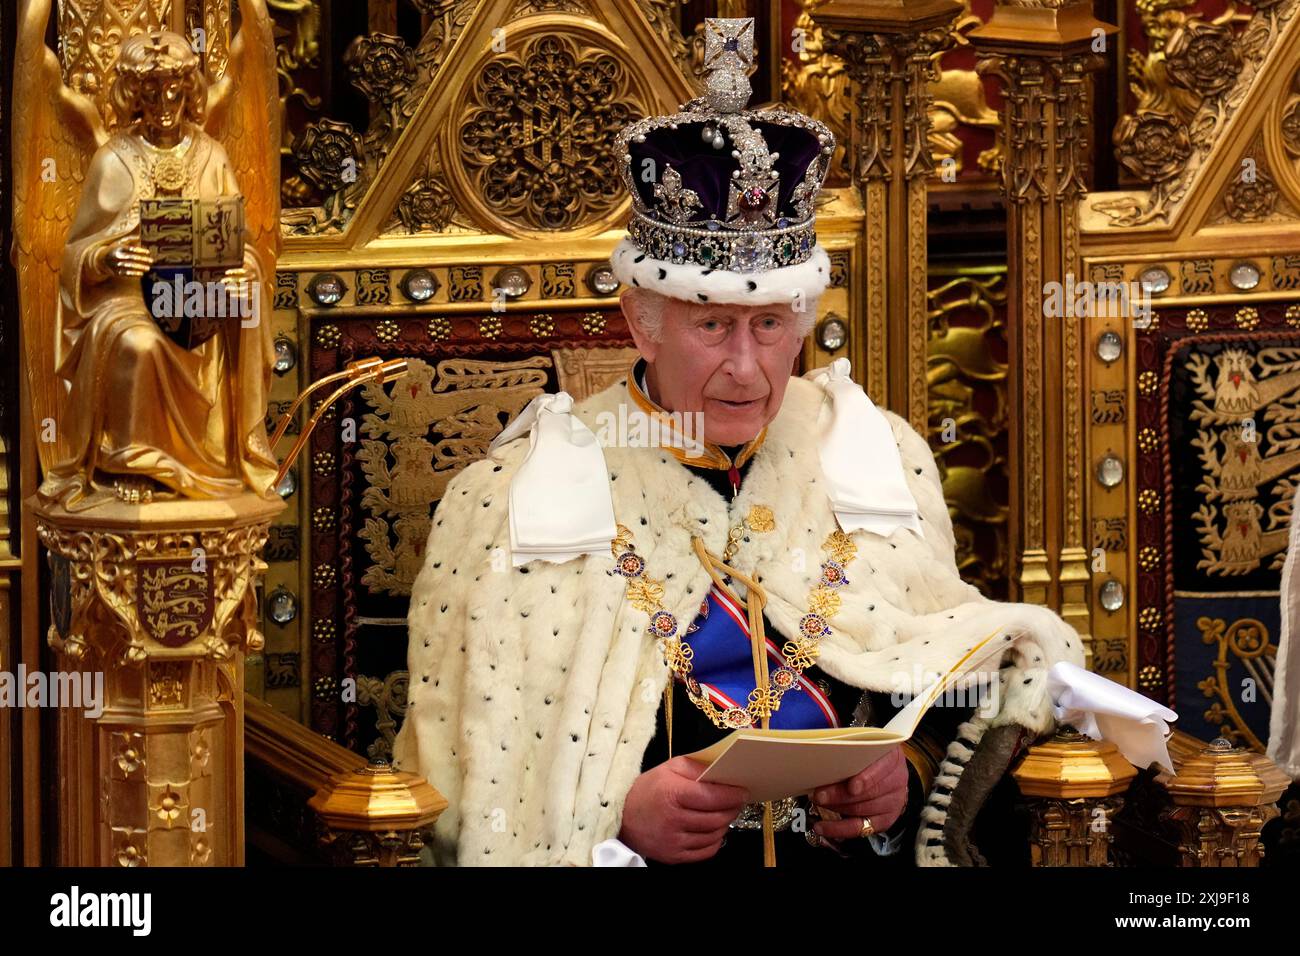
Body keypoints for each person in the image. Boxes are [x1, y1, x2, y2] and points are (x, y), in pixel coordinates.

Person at [393, 17, 1084, 867]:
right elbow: (468, 785)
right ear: (641, 322)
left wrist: (900, 775)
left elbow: (943, 679)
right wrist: (614, 817)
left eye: (771, 324)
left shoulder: (873, 453)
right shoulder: (510, 498)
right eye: (713, 325)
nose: (748, 368)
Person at [42, 30, 277, 509]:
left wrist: (243, 272)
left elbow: (243, 245)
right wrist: (104, 258)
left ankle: (211, 463)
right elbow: (73, 254)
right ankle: (134, 462)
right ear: (134, 96)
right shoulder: (113, 160)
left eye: (174, 89)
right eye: (150, 92)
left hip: (197, 302)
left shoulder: (212, 154)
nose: (164, 102)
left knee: (208, 332)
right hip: (126, 302)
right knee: (140, 343)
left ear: (190, 90)